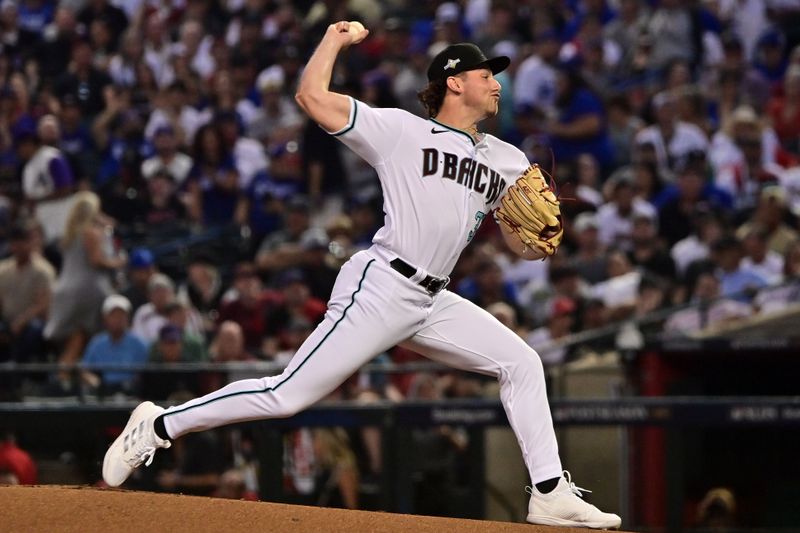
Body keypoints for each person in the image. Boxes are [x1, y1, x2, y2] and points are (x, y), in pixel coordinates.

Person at [103, 25, 621, 529]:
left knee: (523, 362)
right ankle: (158, 424)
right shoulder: (400, 130)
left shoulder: (507, 159)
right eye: (487, 74)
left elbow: (521, 245)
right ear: (455, 81)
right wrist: (333, 38)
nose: (497, 83)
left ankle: (550, 493)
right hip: (381, 286)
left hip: (432, 300)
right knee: (287, 395)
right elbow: (311, 96)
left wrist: (534, 241)